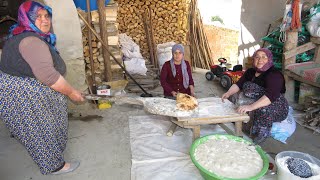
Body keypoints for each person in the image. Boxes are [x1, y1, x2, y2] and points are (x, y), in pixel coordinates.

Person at [0, 1, 84, 175]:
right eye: (37, 16)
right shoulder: (31, 41)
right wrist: (72, 92)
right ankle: (54, 165)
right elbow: (49, 76)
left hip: (22, 87)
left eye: (47, 16)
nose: (45, 20)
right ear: (26, 18)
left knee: (35, 125)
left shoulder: (22, 33)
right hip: (22, 93)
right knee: (40, 128)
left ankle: (25, 135)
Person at [221, 48, 289, 144]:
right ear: (253, 59)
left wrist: (251, 107)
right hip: (259, 98)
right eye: (257, 57)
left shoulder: (274, 74)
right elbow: (238, 84)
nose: (260, 60)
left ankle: (258, 139)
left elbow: (271, 96)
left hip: (276, 103)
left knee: (263, 110)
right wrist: (228, 93)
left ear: (269, 59)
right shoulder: (251, 71)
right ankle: (239, 123)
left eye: (264, 57)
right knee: (237, 94)